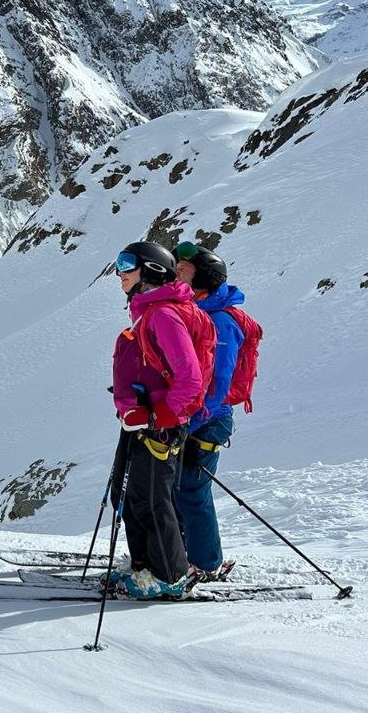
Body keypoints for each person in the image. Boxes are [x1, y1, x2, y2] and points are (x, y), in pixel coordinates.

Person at [107, 241, 213, 599]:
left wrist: (156, 416)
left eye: (127, 264)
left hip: (160, 428)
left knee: (153, 500)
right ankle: (146, 568)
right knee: (137, 496)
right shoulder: (149, 313)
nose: (119, 272)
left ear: (151, 270)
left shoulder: (164, 315)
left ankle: (169, 575)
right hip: (145, 423)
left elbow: (190, 380)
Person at [172, 241, 242, 580]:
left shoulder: (221, 321)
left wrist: (191, 418)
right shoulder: (193, 312)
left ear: (205, 276)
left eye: (184, 269)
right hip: (192, 417)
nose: (176, 272)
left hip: (208, 420)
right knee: (176, 489)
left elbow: (220, 383)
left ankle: (207, 563)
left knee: (192, 490)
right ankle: (182, 555)